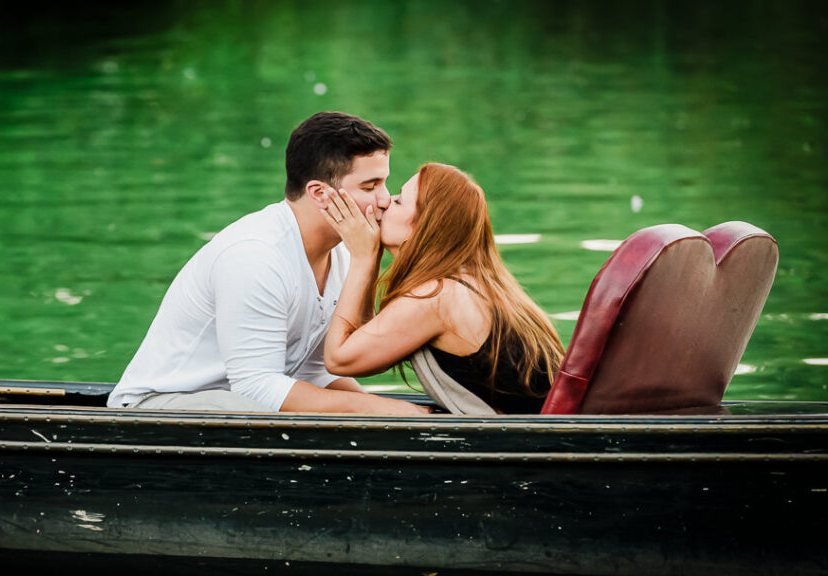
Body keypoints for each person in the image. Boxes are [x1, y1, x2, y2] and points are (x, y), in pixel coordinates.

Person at [108, 111, 431, 415]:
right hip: (160, 406)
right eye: (370, 186)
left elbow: (314, 370)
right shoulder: (255, 256)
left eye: (384, 183)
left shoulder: (346, 253)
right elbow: (257, 387)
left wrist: (390, 411)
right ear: (320, 193)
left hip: (239, 402)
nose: (385, 199)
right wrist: (390, 410)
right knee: (272, 415)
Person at [320, 162, 565, 414]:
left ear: (425, 225)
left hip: (536, 445)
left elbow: (340, 359)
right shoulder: (472, 283)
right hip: (557, 435)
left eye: (399, 201)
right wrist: (370, 258)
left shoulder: (437, 296)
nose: (385, 202)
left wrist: (362, 258)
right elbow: (369, 352)